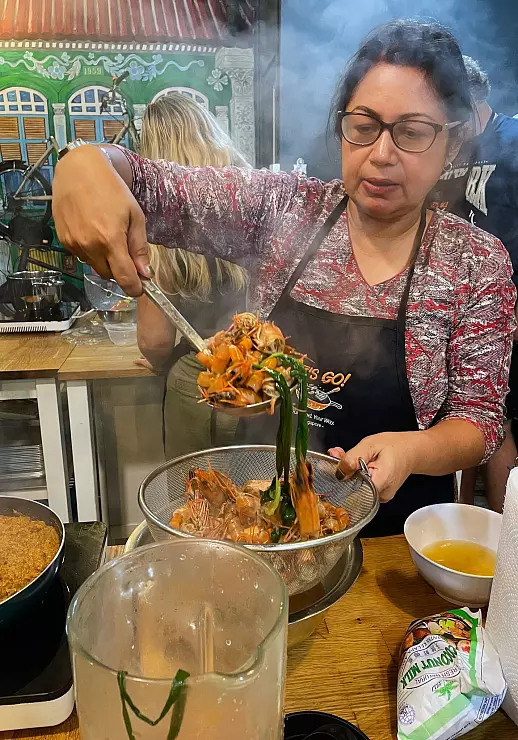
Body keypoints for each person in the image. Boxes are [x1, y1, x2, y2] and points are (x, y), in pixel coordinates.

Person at [52, 20, 515, 537]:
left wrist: (414, 449)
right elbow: (151, 185)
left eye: (412, 132)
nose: (382, 154)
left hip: (398, 542)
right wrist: (84, 164)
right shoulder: (283, 209)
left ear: (452, 142)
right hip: (264, 524)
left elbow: (480, 422)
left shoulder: (475, 262)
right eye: (364, 125)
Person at [136, 94, 249, 458]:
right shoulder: (253, 192)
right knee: (263, 484)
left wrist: (159, 361)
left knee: (199, 491)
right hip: (260, 377)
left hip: (200, 381)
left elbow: (155, 339)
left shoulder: (156, 216)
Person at [433, 56, 518, 512]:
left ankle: (506, 537)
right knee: (458, 413)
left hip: (504, 304)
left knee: (497, 420)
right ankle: (461, 515)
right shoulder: (461, 149)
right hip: (462, 301)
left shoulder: (512, 138)